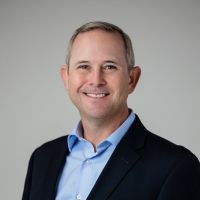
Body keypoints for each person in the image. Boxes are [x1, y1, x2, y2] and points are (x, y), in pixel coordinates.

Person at [22, 21, 200, 200]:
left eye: (109, 67)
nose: (96, 80)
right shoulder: (42, 158)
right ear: (66, 78)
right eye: (84, 66)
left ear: (132, 79)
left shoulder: (175, 166)